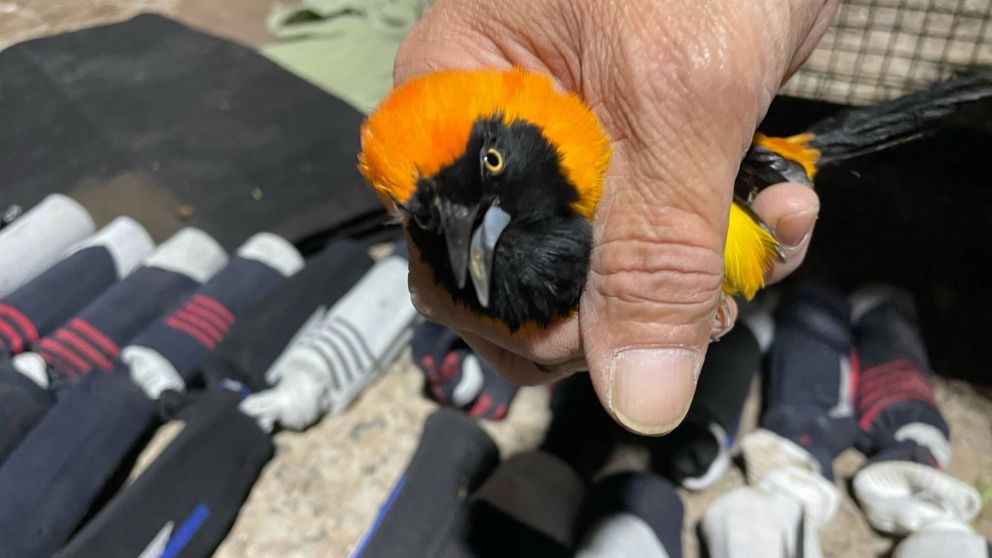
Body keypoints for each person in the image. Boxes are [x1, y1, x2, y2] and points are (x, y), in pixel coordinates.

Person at [395, 0, 836, 435]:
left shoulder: (570, 169)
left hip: (749, 187)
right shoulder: (501, 229)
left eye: (489, 163)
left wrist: (666, 311)